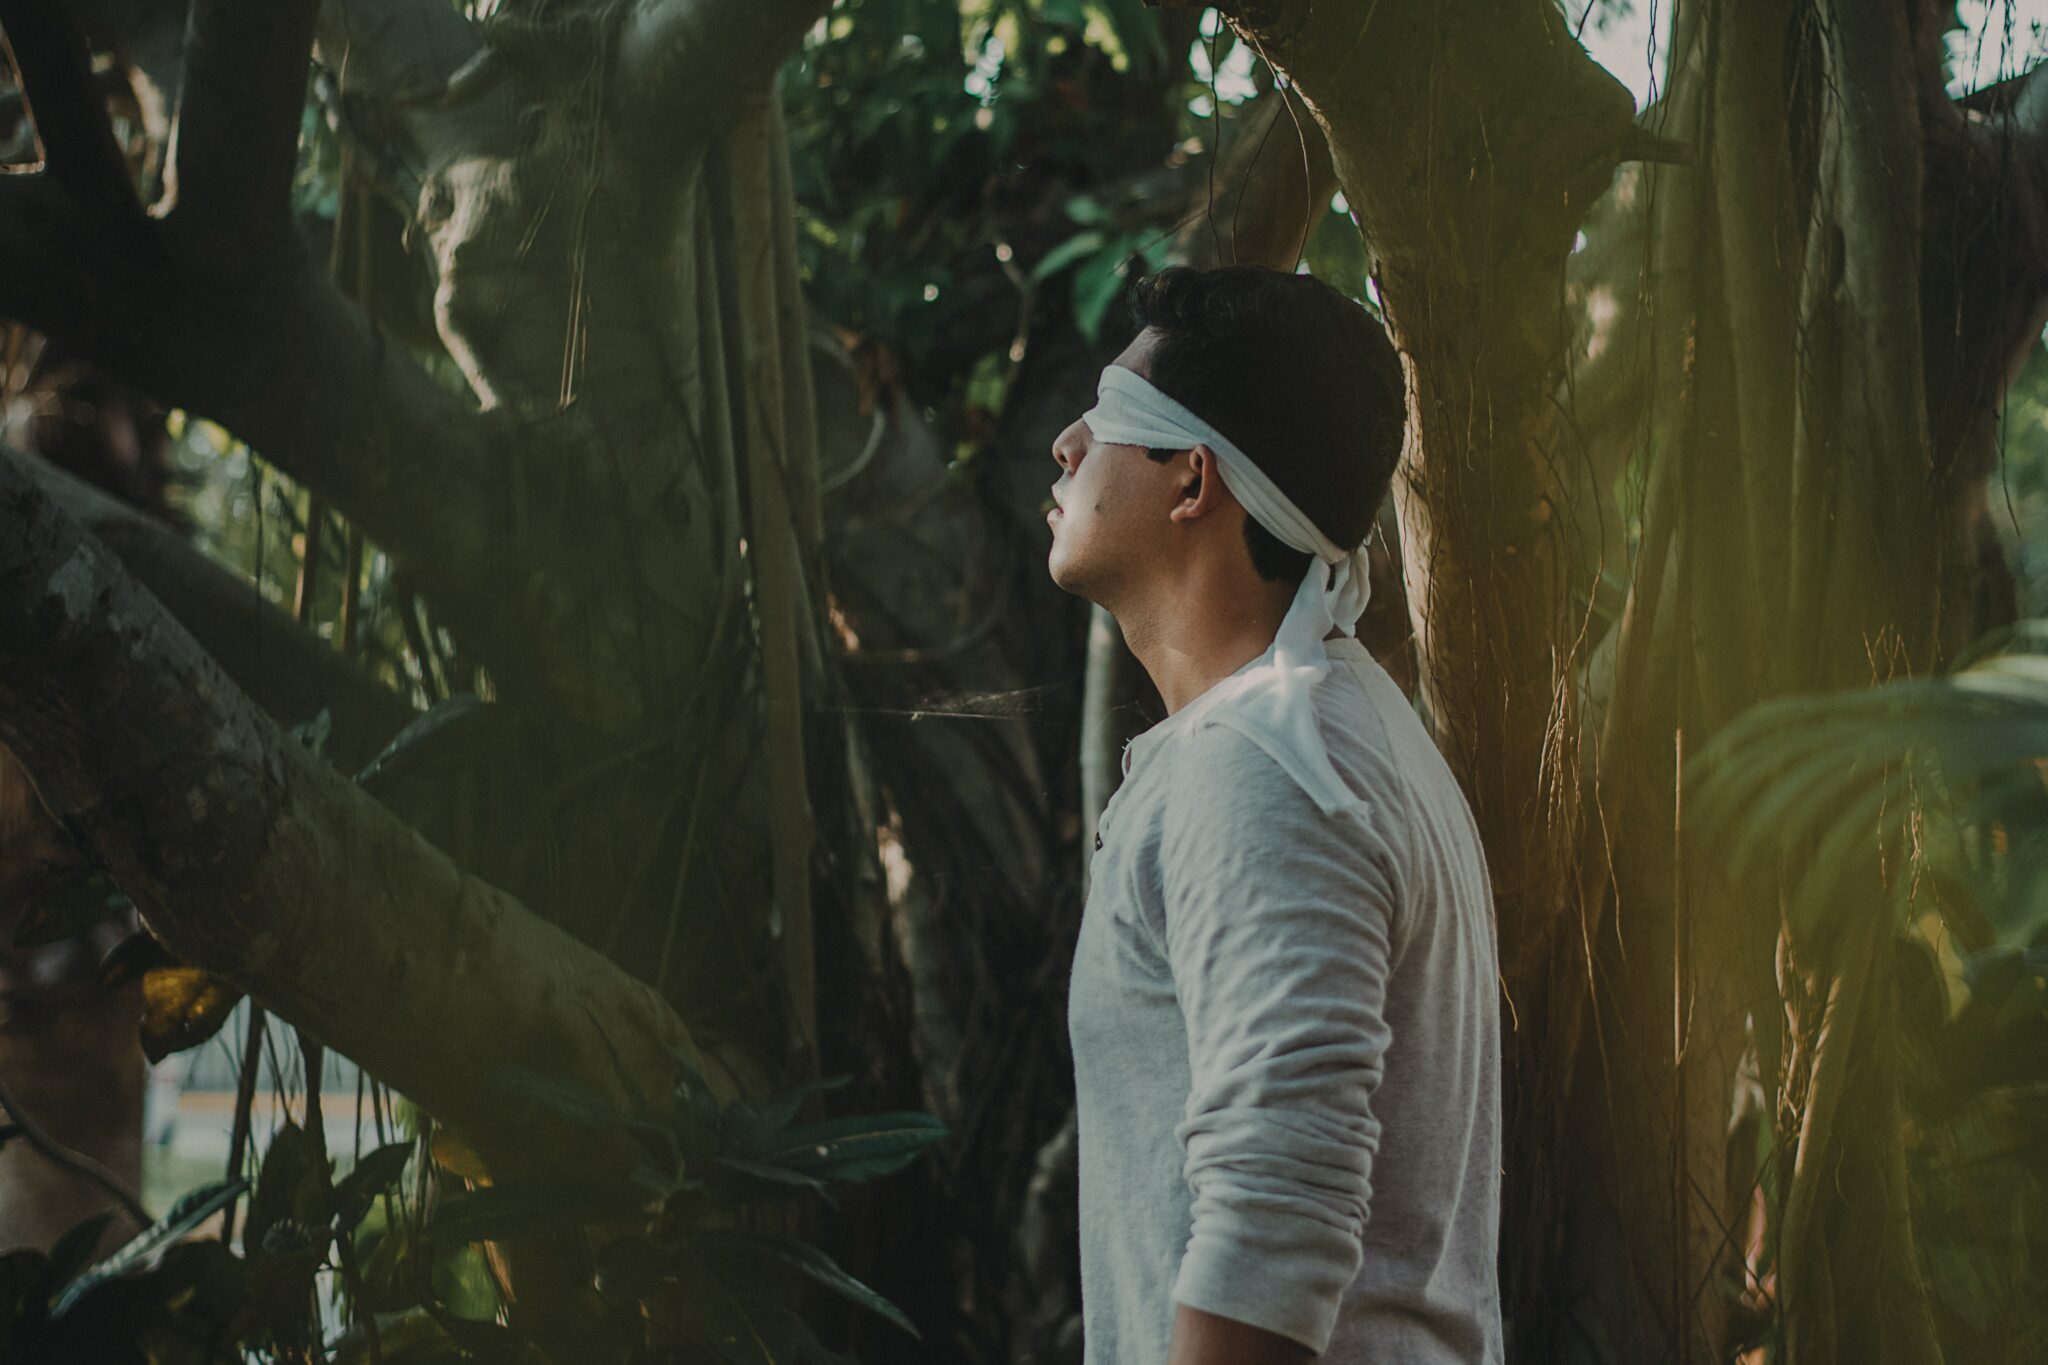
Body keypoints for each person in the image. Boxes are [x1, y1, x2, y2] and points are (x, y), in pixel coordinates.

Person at [1049, 264, 1502, 1365]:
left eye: (1105, 420)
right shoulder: (1332, 730)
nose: (1065, 443)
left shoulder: (1259, 765)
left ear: (1190, 481)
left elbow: (1276, 1209)